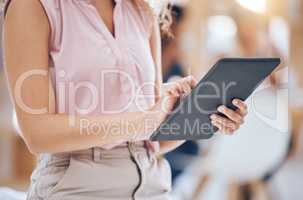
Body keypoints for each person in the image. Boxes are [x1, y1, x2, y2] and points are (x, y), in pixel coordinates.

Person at [3, 0, 247, 199]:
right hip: (77, 187)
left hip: (153, 185)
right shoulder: (33, 6)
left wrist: (202, 116)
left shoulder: (141, 10)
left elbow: (152, 139)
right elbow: (37, 133)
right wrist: (141, 121)